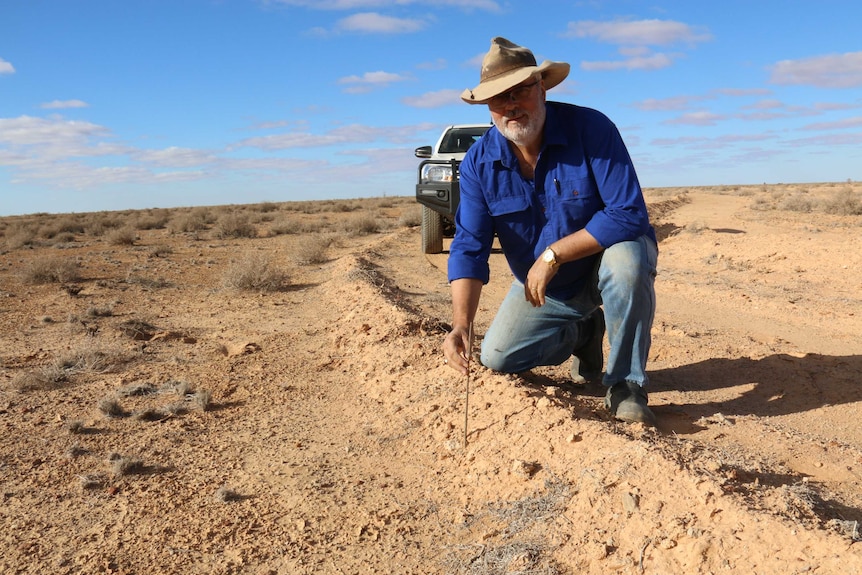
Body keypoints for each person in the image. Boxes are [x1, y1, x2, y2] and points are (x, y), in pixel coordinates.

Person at [442, 37, 659, 426]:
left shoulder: (590, 128)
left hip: (600, 263)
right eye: (497, 98)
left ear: (541, 87)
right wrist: (461, 323)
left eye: (520, 91)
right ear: (487, 107)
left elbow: (628, 214)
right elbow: (469, 246)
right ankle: (582, 333)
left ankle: (626, 384)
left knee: (628, 259)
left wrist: (552, 254)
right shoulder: (478, 163)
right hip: (550, 288)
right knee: (498, 358)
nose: (510, 105)